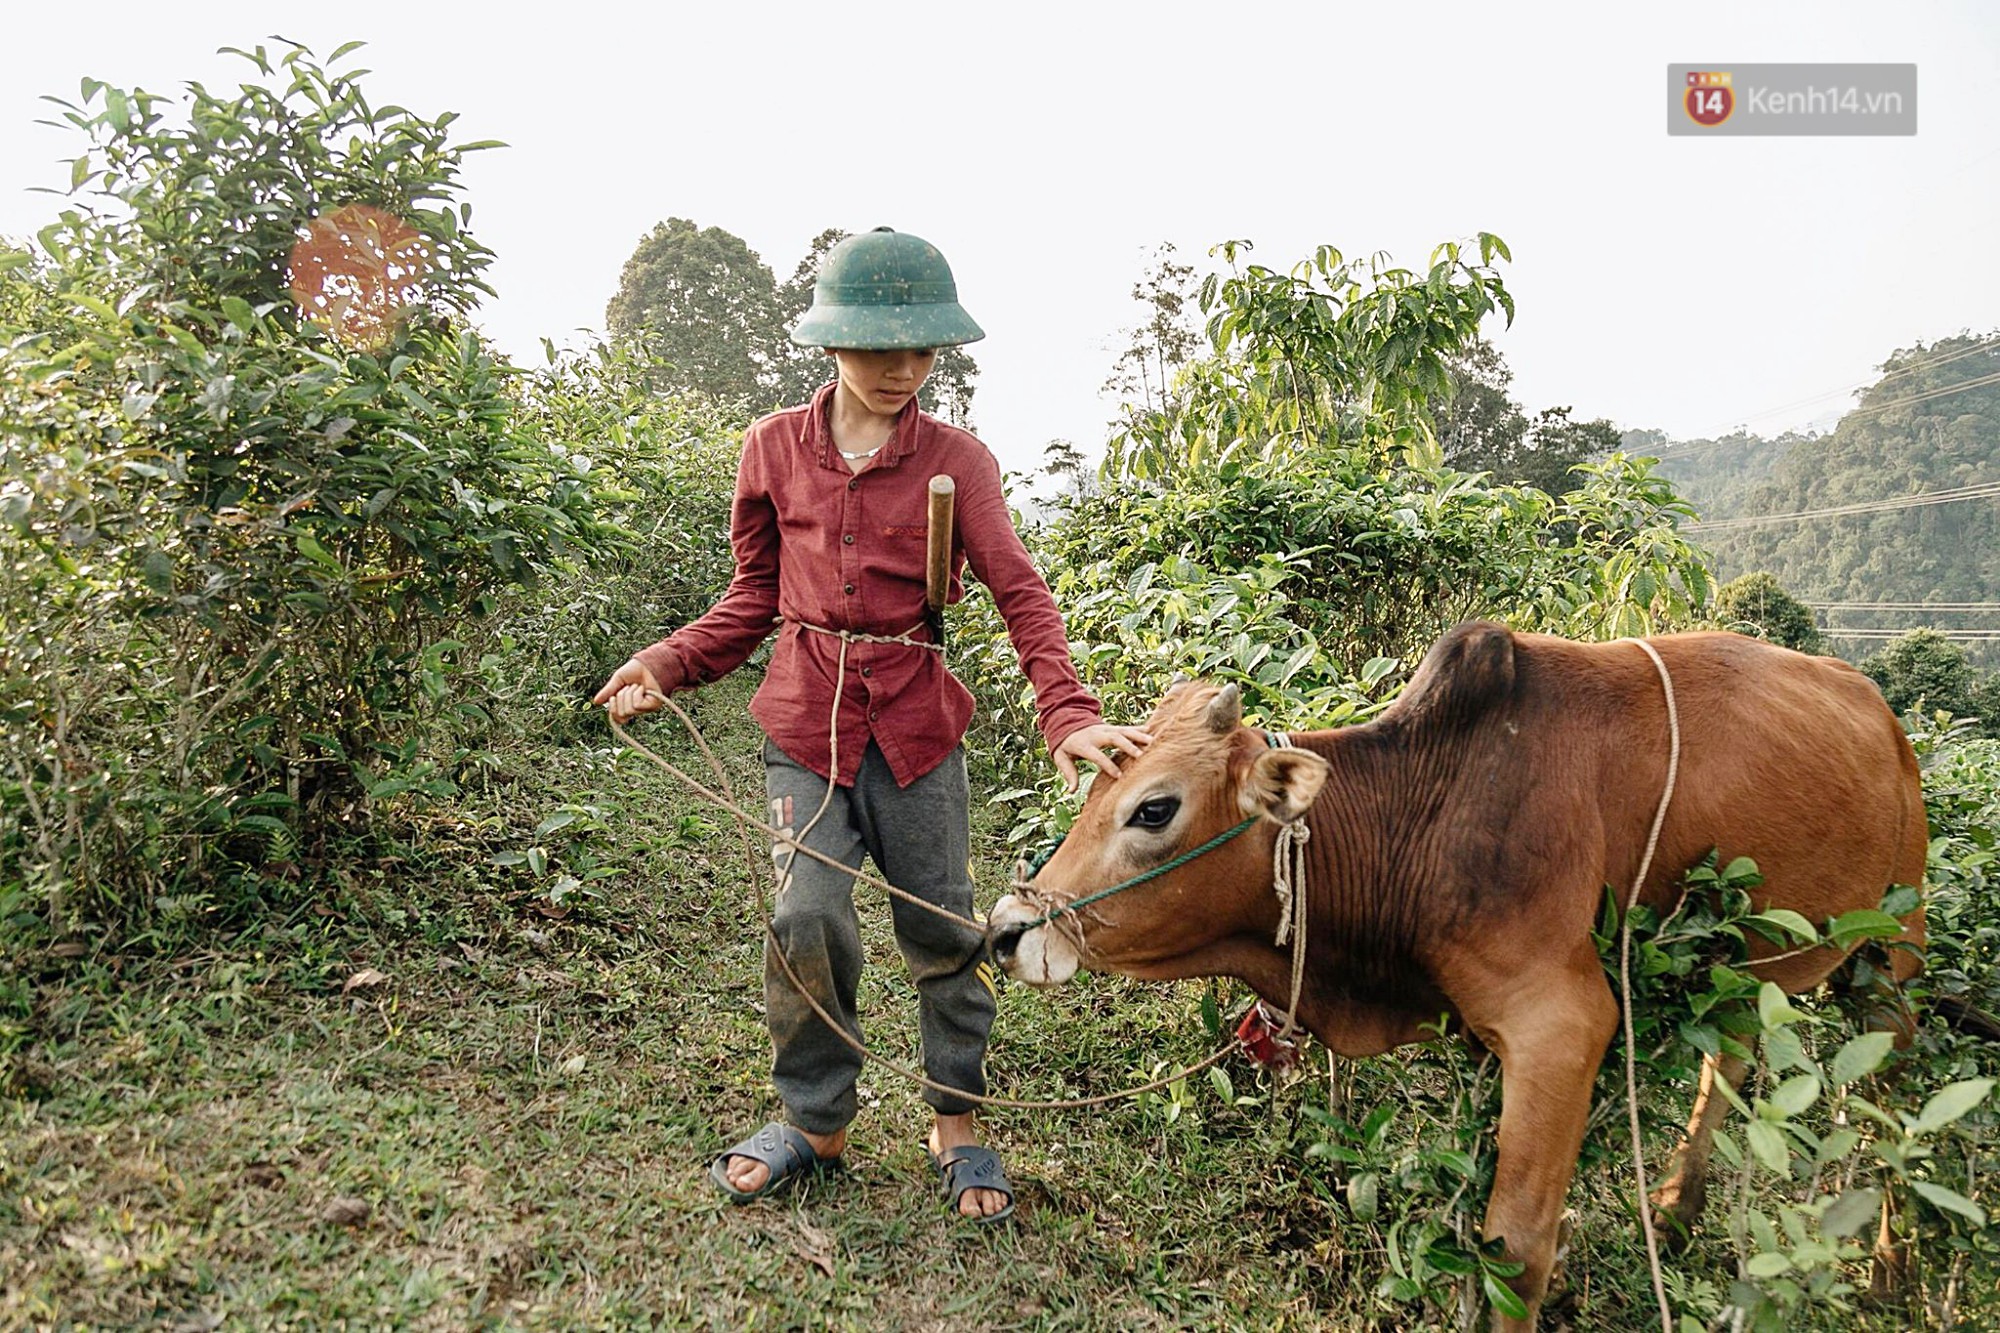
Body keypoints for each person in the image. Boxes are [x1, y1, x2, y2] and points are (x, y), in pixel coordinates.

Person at [593, 227, 1149, 1222]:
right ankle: (816, 1121)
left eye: (922, 349)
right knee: (804, 917)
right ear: (831, 340)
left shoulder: (958, 462)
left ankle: (956, 1120)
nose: (903, 369)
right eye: (881, 347)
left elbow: (1019, 590)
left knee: (941, 927)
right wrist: (664, 661)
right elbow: (751, 596)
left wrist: (1066, 711)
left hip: (916, 729)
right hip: (804, 724)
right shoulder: (772, 449)